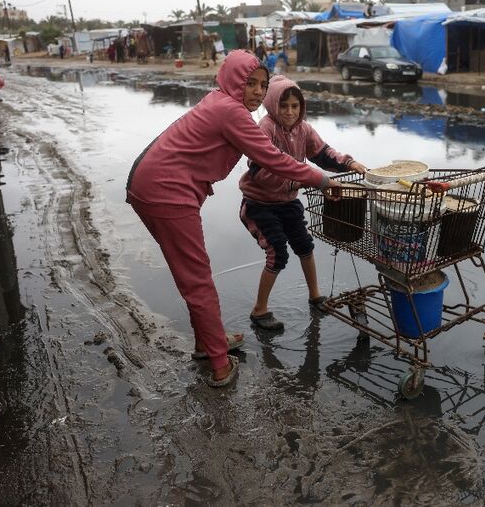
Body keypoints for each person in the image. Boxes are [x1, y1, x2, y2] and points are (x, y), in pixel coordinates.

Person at [125, 51, 343, 387]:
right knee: (197, 279)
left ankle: (208, 343)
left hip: (151, 185)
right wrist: (324, 180)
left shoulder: (219, 103)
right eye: (249, 83)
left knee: (191, 275)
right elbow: (274, 159)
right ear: (232, 80)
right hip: (165, 191)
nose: (257, 91)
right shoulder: (231, 111)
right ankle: (220, 365)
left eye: (262, 85)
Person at [238, 75, 366, 331]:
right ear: (272, 105)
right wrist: (303, 183)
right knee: (278, 253)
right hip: (259, 203)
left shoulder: (303, 129)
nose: (289, 112)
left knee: (305, 246)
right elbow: (262, 175)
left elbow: (323, 153)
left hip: (287, 201)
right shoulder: (264, 129)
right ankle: (259, 310)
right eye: (283, 106)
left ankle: (315, 295)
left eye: (295, 106)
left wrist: (349, 163)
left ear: (301, 107)